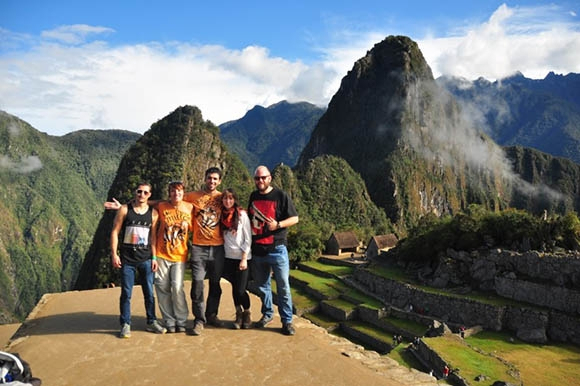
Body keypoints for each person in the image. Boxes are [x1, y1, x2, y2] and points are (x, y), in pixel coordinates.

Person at [110, 182, 166, 338]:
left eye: (145, 192)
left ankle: (151, 321)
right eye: (139, 192)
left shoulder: (153, 214)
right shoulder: (124, 210)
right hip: (127, 260)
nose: (141, 195)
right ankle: (125, 324)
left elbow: (153, 237)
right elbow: (115, 232)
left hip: (146, 259)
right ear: (135, 192)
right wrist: (114, 254)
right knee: (126, 293)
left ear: (149, 195)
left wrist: (154, 257)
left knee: (149, 292)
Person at [248, 165, 299, 336]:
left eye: (263, 178)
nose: (260, 181)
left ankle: (287, 321)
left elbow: (295, 218)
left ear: (270, 178)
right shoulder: (253, 196)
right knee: (262, 286)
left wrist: (278, 224)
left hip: (277, 249)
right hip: (258, 250)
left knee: (283, 287)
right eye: (257, 178)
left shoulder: (280, 196)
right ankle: (267, 314)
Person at [184, 167, 225, 335]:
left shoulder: (223, 198)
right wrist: (134, 203)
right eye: (209, 178)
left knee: (215, 284)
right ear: (205, 178)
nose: (212, 181)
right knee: (198, 283)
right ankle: (199, 319)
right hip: (198, 247)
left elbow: (238, 212)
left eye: (215, 179)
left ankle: (212, 314)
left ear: (219, 181)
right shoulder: (192, 196)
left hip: (218, 248)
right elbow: (169, 202)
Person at [153, 181, 193, 333]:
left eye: (179, 192)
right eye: (173, 192)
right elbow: (144, 204)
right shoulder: (162, 206)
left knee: (177, 287)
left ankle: (181, 319)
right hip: (162, 254)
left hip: (180, 255)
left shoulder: (189, 208)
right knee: (162, 287)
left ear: (183, 193)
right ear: (169, 193)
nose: (176, 194)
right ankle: (169, 320)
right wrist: (123, 207)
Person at [220, 188, 252, 329]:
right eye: (226, 198)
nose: (228, 201)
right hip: (227, 257)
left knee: (240, 289)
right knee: (234, 287)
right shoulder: (220, 215)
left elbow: (247, 237)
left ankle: (247, 312)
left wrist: (244, 258)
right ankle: (238, 314)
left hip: (241, 258)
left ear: (235, 200)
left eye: (231, 199)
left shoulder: (242, 215)